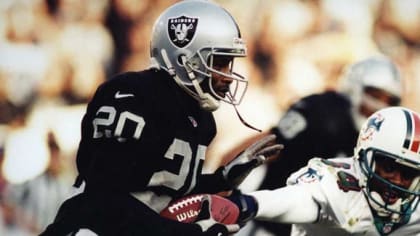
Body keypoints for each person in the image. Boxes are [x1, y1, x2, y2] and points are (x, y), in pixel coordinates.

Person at [40, 1, 282, 235]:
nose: (228, 76)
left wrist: (221, 179)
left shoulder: (200, 119)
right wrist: (185, 233)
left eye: (229, 64)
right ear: (185, 58)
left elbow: (161, 190)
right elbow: (106, 201)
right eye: (219, 63)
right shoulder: (133, 96)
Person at [222, 55, 402, 235]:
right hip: (268, 225)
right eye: (375, 95)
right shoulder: (322, 113)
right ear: (354, 86)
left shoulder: (383, 141)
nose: (380, 105)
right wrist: (222, 180)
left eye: (389, 101)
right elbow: (269, 144)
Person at [232, 106, 420, 235]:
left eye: (409, 174)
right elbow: (297, 200)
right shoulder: (338, 186)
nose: (397, 181)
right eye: (388, 168)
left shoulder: (414, 209)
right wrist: (249, 204)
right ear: (365, 157)